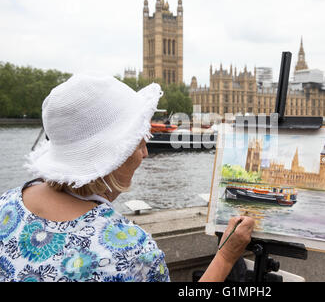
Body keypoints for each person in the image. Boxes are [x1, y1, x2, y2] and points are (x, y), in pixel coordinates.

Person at [0, 74, 254, 282]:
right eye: (137, 140)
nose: (145, 151)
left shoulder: (7, 204)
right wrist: (225, 257)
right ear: (112, 157)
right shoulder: (129, 251)